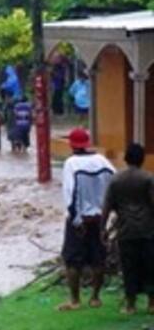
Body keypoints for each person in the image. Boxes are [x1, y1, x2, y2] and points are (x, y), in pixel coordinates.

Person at [58, 128, 115, 311]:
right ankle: (95, 298)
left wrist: (76, 220)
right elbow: (114, 185)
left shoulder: (71, 164)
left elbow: (70, 194)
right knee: (98, 258)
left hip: (79, 220)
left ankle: (75, 300)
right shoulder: (103, 161)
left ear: (71, 145)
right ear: (88, 143)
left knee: (72, 260)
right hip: (100, 218)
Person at [102, 143, 154, 314]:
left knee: (129, 267)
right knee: (149, 266)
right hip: (147, 230)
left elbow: (107, 206)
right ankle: (152, 304)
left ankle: (130, 305)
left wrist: (103, 228)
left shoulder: (116, 180)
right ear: (142, 159)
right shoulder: (148, 178)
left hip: (126, 231)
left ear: (125, 159)